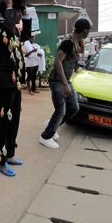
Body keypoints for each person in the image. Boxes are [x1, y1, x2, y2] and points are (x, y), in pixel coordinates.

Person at [0, 0, 32, 177]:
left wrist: (26, 12)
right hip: (3, 83)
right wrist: (9, 4)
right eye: (17, 11)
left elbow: (27, 34)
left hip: (15, 83)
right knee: (3, 122)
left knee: (14, 120)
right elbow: (4, 30)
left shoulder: (14, 32)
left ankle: (10, 154)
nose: (19, 15)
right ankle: (0, 161)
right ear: (8, 11)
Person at [40, 19, 91, 149]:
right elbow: (58, 62)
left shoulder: (76, 41)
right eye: (88, 31)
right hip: (58, 81)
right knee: (60, 110)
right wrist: (65, 84)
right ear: (85, 30)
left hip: (66, 80)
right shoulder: (68, 42)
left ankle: (52, 125)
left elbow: (77, 54)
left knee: (74, 107)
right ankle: (46, 136)